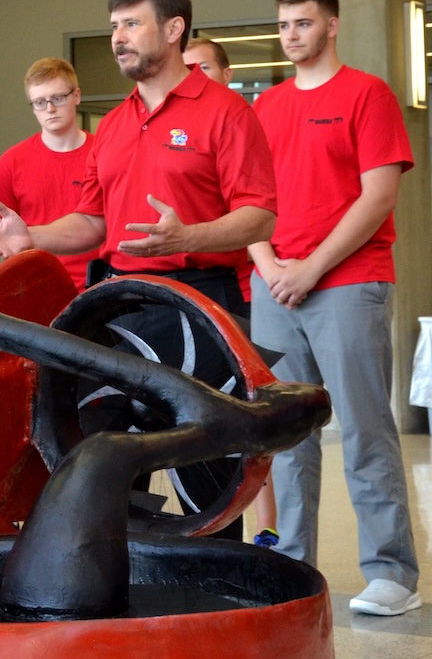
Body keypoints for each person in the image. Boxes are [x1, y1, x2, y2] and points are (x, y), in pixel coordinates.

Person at [0, 0, 277, 541]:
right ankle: (124, 579)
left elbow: (260, 215)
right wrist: (32, 236)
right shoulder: (111, 126)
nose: (118, 37)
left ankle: (206, 603)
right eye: (114, 25)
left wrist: (185, 237)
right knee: (101, 444)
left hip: (203, 304)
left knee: (203, 466)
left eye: (131, 23)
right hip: (122, 304)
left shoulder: (227, 113)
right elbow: (92, 223)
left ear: (173, 28)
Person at [250, 0, 420, 616]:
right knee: (287, 437)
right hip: (276, 286)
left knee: (365, 430)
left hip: (348, 282)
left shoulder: (367, 94)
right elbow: (248, 202)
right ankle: (294, 563)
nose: (291, 34)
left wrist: (310, 268)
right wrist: (269, 265)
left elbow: (377, 197)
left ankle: (392, 575)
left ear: (331, 26)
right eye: (284, 24)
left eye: (303, 23)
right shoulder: (265, 106)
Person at [183, 37, 279, 550]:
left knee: (245, 421)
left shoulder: (233, 120)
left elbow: (258, 214)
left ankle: (264, 529)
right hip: (213, 291)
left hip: (237, 293)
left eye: (203, 68)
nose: (194, 75)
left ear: (224, 72)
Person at [0, 57, 98, 293]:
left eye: (57, 98)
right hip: (37, 288)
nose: (50, 109)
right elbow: (6, 238)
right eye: (39, 102)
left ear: (76, 95)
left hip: (98, 286)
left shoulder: (104, 153)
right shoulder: (13, 160)